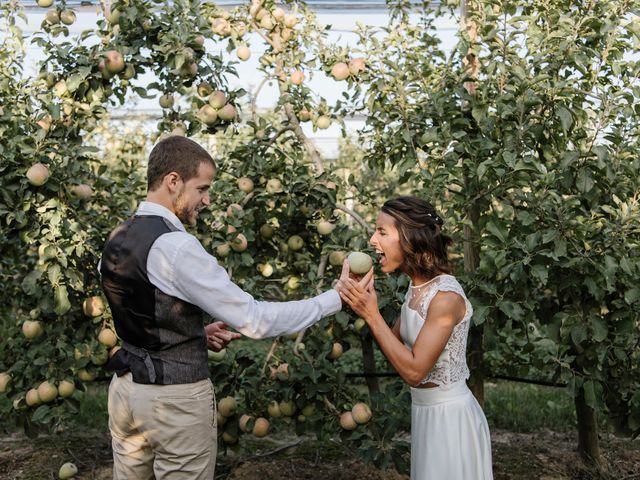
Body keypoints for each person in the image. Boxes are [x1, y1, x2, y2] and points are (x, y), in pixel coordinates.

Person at [99, 135, 356, 480]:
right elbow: (255, 320)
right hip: (174, 401)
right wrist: (335, 298)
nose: (206, 200)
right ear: (173, 181)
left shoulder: (118, 235)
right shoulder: (176, 247)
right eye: (202, 188)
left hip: (126, 395)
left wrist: (192, 333)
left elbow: (140, 308)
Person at [338, 196, 493, 480]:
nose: (373, 240)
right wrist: (363, 299)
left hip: (450, 420)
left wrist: (371, 314)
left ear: (410, 237)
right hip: (424, 413)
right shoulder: (417, 287)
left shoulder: (445, 298)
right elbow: (393, 345)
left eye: (382, 232)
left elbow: (414, 371)